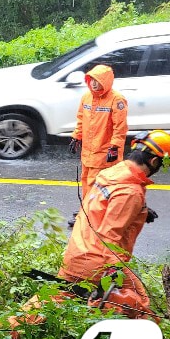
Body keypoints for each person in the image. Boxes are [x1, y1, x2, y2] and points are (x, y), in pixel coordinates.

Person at [9, 130, 169, 336]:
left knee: (56, 297)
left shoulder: (114, 173)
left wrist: (141, 211)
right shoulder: (131, 191)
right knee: (137, 305)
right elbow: (109, 236)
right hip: (96, 259)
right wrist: (113, 272)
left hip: (79, 250)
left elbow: (103, 208)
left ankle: (13, 326)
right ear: (155, 161)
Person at [68, 64, 128, 225]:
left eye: (98, 80)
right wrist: (76, 136)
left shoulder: (117, 100)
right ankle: (89, 211)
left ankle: (88, 218)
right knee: (87, 181)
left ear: (107, 81)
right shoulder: (87, 97)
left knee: (96, 185)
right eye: (92, 80)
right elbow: (81, 118)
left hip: (104, 153)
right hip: (88, 151)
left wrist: (114, 147)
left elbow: (120, 127)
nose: (94, 84)